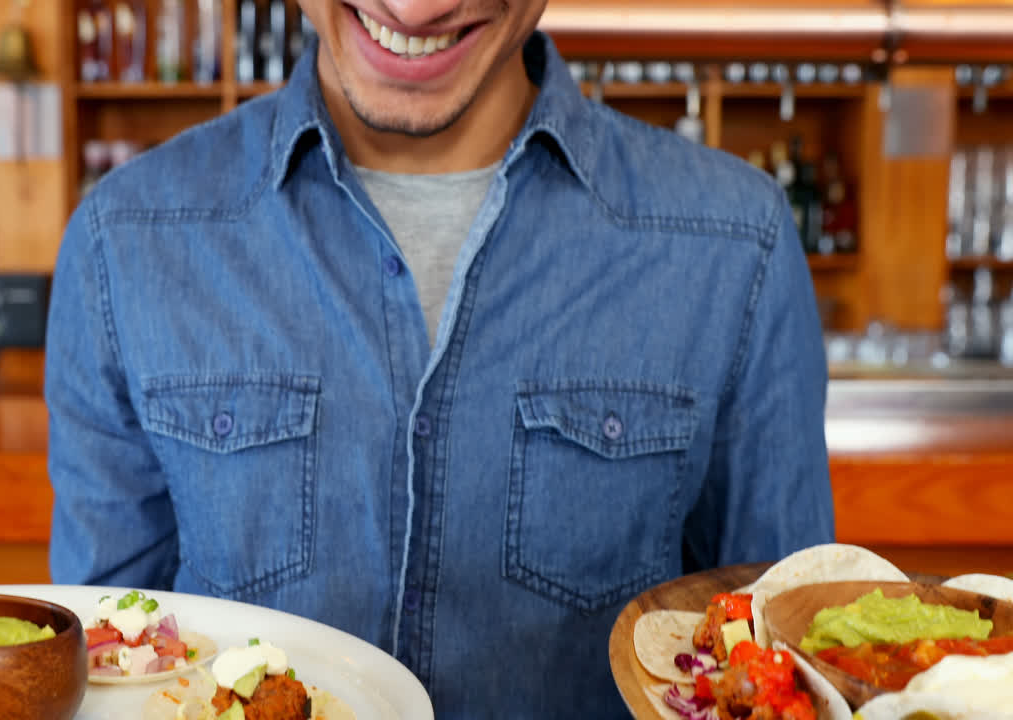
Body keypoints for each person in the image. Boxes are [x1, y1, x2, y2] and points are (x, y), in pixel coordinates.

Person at [45, 0, 836, 716]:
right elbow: (99, 666)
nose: (415, 7)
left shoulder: (740, 246)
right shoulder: (124, 241)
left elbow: (786, 666)